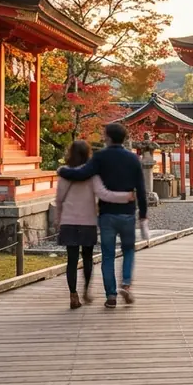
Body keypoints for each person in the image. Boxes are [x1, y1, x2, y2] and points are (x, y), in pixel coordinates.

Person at [57, 123, 149, 308]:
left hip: (105, 214)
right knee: (128, 250)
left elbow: (81, 174)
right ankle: (126, 284)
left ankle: (111, 296)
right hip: (125, 213)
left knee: (106, 255)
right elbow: (141, 188)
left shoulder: (100, 158)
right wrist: (143, 215)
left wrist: (62, 171)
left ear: (107, 137)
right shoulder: (133, 159)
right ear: (124, 138)